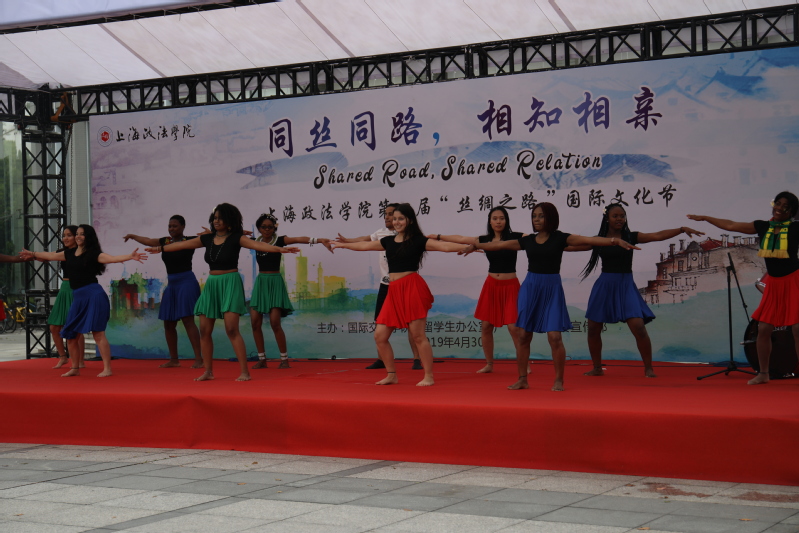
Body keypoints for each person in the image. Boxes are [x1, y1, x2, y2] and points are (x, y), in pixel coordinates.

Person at [473, 202, 639, 392]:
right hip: (530, 288)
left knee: (554, 337)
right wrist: (475, 245)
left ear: (551, 218)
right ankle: (522, 379)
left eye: (541, 216)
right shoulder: (528, 240)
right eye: (534, 216)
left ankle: (559, 380)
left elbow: (588, 240)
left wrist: (614, 241)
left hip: (551, 289)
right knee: (523, 335)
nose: (536, 219)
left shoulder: (560, 238)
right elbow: (498, 245)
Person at [145, 203, 300, 382]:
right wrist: (160, 249)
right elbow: (182, 245)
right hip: (212, 284)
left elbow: (259, 246)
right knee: (204, 330)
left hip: (230, 282)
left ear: (229, 220)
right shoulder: (207, 238)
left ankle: (244, 372)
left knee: (231, 329)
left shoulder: (236, 238)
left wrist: (279, 249)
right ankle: (208, 371)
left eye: (220, 218)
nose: (216, 221)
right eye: (215, 218)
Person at [332, 203, 463, 386]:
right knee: (380, 336)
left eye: (400, 218)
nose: (396, 222)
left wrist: (470, 246)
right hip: (393, 291)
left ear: (410, 220)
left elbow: (445, 246)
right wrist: (343, 245)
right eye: (394, 219)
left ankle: (429, 376)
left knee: (418, 336)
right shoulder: (388, 241)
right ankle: (391, 375)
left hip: (412, 288)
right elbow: (364, 246)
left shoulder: (418, 240)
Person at [580, 204, 704, 378]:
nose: (619, 219)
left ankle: (648, 368)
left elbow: (657, 236)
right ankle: (597, 368)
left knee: (638, 327)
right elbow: (572, 244)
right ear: (607, 218)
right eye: (615, 216)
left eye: (622, 216)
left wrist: (681, 229)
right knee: (593, 328)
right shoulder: (599, 240)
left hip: (625, 285)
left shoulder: (630, 236)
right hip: (605, 285)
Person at [688, 191, 799, 385]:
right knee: (764, 329)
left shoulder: (796, 228)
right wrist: (706, 218)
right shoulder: (763, 226)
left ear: (791, 212)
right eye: (778, 203)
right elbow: (731, 225)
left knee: (797, 329)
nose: (780, 208)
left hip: (793, 280)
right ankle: (763, 373)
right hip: (774, 283)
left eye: (786, 206)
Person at [20, 224, 147, 377]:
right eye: (77, 234)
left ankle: (107, 368)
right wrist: (32, 253)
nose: (78, 236)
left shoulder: (93, 254)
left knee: (98, 333)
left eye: (82, 234)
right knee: (70, 334)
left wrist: (130, 256)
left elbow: (112, 259)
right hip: (78, 297)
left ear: (88, 237)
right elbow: (50, 256)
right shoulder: (68, 253)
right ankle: (75, 368)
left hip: (94, 295)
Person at [431, 207, 523, 373]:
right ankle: (489, 364)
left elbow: (535, 238)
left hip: (510, 286)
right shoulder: (483, 240)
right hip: (491, 285)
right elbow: (461, 238)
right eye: (495, 218)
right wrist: (438, 236)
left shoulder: (515, 237)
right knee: (486, 326)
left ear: (506, 220)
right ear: (490, 221)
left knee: (513, 328)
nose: (498, 221)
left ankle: (524, 364)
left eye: (501, 218)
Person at [337, 203, 422, 370]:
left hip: (404, 285)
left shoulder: (408, 236)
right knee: (380, 323)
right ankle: (382, 360)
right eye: (386, 214)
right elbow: (365, 240)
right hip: (386, 284)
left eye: (392, 215)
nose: (387, 217)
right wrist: (347, 242)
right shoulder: (381, 234)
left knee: (412, 324)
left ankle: (417, 359)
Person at [249, 213, 331, 369]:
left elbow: (299, 239)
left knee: (275, 322)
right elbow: (233, 238)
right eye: (263, 227)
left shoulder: (279, 240)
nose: (267, 230)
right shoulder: (253, 241)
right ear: (259, 228)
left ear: (274, 228)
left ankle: (284, 359)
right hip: (261, 283)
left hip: (275, 282)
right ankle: (262, 359)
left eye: (270, 227)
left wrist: (319, 240)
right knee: (254, 323)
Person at [123, 215, 203, 369]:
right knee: (168, 322)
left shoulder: (190, 241)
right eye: (170, 226)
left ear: (183, 227)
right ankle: (174, 360)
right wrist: (133, 236)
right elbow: (148, 240)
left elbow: (210, 239)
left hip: (186, 282)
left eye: (175, 226)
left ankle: (199, 359)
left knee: (188, 320)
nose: (171, 229)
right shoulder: (165, 241)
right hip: (172, 284)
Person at [38, 225, 85, 369]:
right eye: (64, 235)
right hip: (64, 288)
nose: (65, 238)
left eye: (69, 235)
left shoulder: (83, 252)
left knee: (76, 327)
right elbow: (47, 256)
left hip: (77, 288)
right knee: (54, 326)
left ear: (77, 237)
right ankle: (63, 357)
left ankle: (80, 361)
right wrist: (32, 255)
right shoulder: (63, 252)